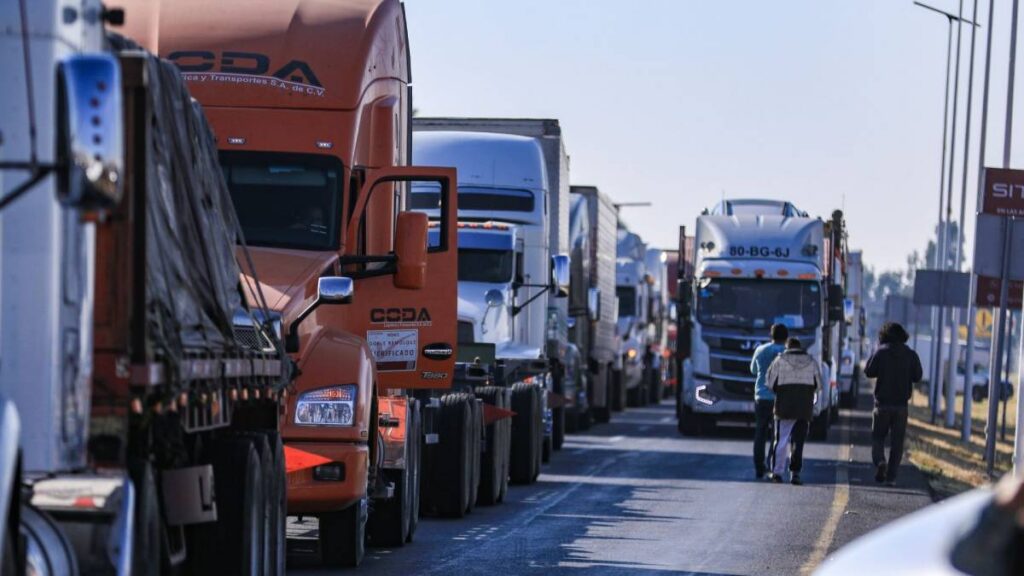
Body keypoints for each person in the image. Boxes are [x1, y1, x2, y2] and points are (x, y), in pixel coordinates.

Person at [863, 321, 922, 486]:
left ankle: (880, 462)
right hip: (901, 406)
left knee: (878, 438)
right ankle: (891, 477)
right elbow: (918, 376)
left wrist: (876, 351)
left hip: (882, 405)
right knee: (897, 443)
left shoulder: (881, 352)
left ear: (884, 336)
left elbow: (868, 371)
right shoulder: (910, 354)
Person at [766, 337, 820, 485]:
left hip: (784, 408)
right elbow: (817, 385)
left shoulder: (779, 361)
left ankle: (777, 473)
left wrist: (782, 392)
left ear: (787, 347)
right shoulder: (811, 362)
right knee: (798, 442)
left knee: (781, 441)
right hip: (804, 408)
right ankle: (795, 473)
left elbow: (770, 383)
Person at [749, 323, 789, 479]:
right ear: (786, 337)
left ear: (771, 335)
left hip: (761, 397)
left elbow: (753, 370)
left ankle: (759, 467)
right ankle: (773, 466)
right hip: (780, 399)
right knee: (777, 435)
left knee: (760, 432)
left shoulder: (760, 350)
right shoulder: (786, 353)